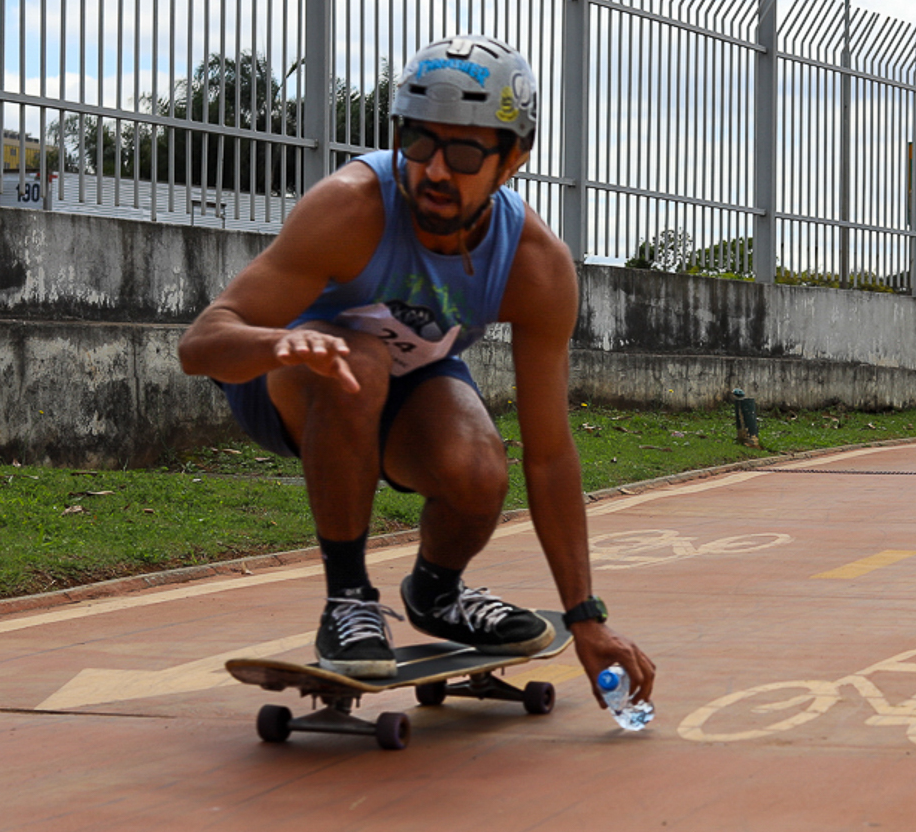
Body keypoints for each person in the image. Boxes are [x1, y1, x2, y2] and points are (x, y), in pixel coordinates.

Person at [178, 34, 654, 712]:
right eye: (419, 143)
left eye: (463, 153)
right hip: (289, 384)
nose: (433, 172)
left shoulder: (535, 264)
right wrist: (276, 346)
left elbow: (549, 455)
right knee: (358, 359)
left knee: (482, 466)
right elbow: (201, 343)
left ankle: (438, 589)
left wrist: (586, 616)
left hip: (410, 383)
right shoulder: (350, 207)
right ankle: (348, 600)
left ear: (514, 159)